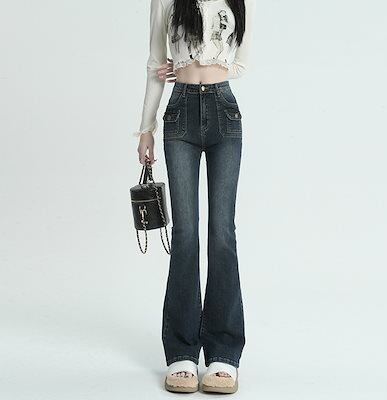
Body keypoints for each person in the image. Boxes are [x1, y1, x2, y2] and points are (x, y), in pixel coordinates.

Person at [134, 0, 255, 393]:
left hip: (224, 110)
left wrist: (210, 67)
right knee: (185, 234)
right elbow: (155, 63)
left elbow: (242, 62)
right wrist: (146, 128)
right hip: (180, 112)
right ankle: (182, 353)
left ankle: (224, 353)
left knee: (223, 233)